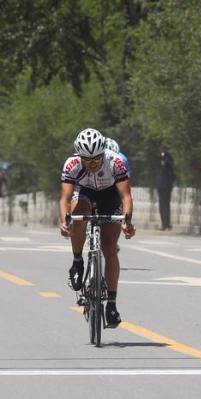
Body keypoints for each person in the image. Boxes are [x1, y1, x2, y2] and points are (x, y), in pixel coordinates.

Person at [59, 128, 136, 328]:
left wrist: (127, 220)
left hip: (110, 196)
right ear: (80, 156)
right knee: (78, 215)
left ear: (104, 154)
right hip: (85, 193)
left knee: (110, 247)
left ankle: (111, 303)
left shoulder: (115, 162)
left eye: (96, 160)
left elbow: (126, 196)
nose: (92, 164)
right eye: (87, 160)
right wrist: (63, 220)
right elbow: (65, 198)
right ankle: (77, 262)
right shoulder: (72, 164)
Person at [156, 144, 175, 230]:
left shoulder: (168, 158)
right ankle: (164, 224)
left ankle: (166, 224)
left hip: (166, 185)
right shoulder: (160, 158)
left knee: (166, 205)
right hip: (162, 184)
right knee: (163, 205)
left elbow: (170, 169)